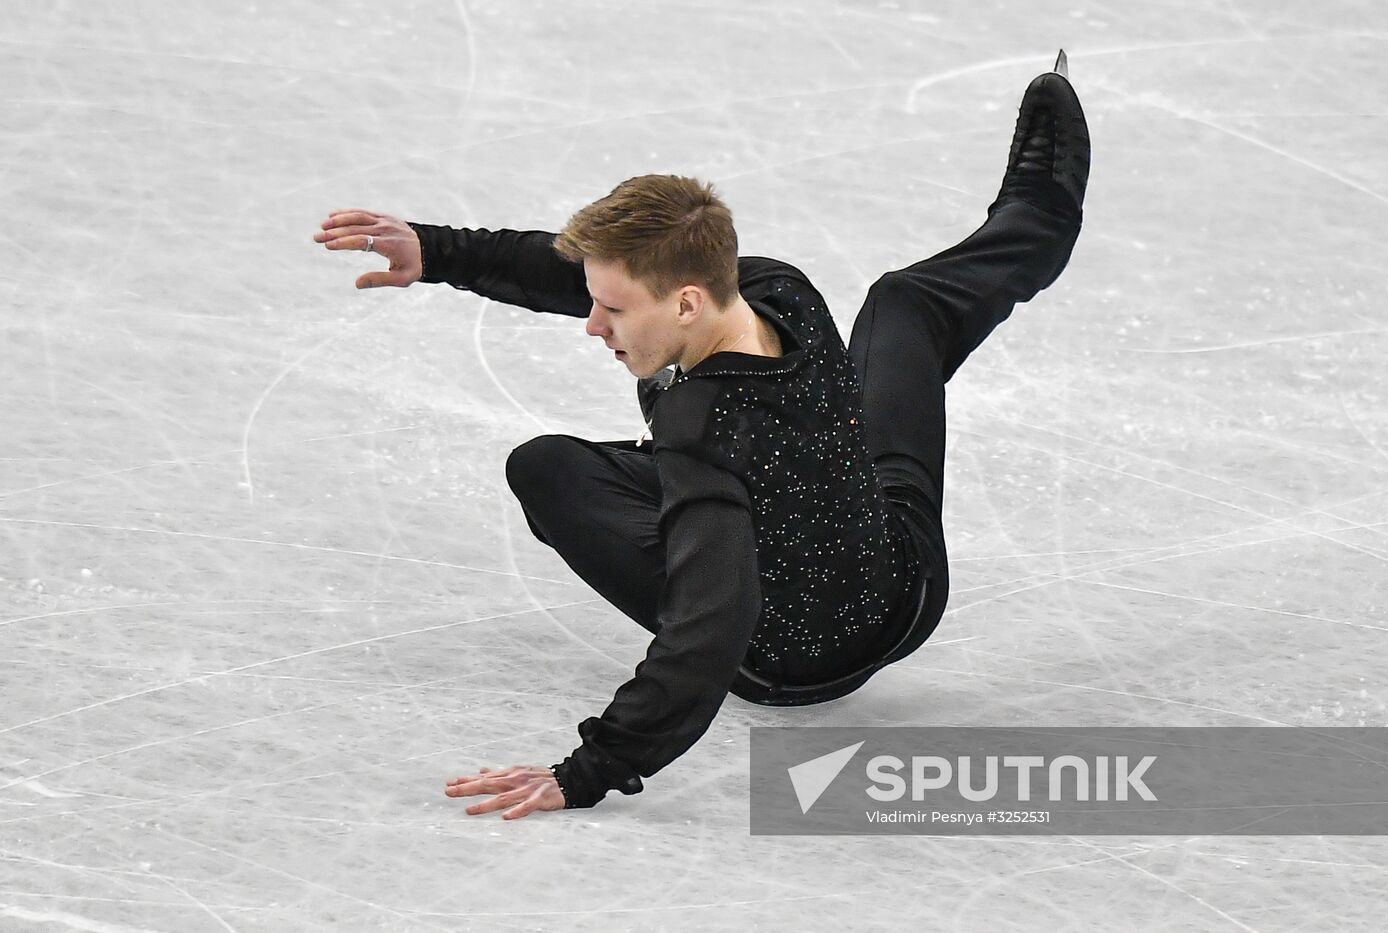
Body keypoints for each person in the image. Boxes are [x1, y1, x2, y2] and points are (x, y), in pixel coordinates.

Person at [312, 53, 1090, 820]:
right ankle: (1040, 218)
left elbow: (709, 630)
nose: (592, 325)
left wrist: (589, 770)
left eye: (612, 312)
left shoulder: (701, 437)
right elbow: (592, 273)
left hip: (786, 656)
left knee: (548, 471)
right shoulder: (772, 288)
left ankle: (1036, 206)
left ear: (686, 304)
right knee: (906, 304)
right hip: (900, 570)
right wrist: (441, 251)